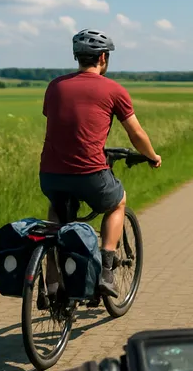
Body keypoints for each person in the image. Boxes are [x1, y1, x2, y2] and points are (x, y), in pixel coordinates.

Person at [39, 29, 161, 298]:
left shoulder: (55, 86)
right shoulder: (113, 89)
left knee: (57, 208)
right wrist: (152, 156)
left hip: (50, 174)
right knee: (117, 202)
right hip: (90, 173)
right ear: (103, 57)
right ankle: (106, 272)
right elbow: (136, 134)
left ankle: (52, 278)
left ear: (77, 57)